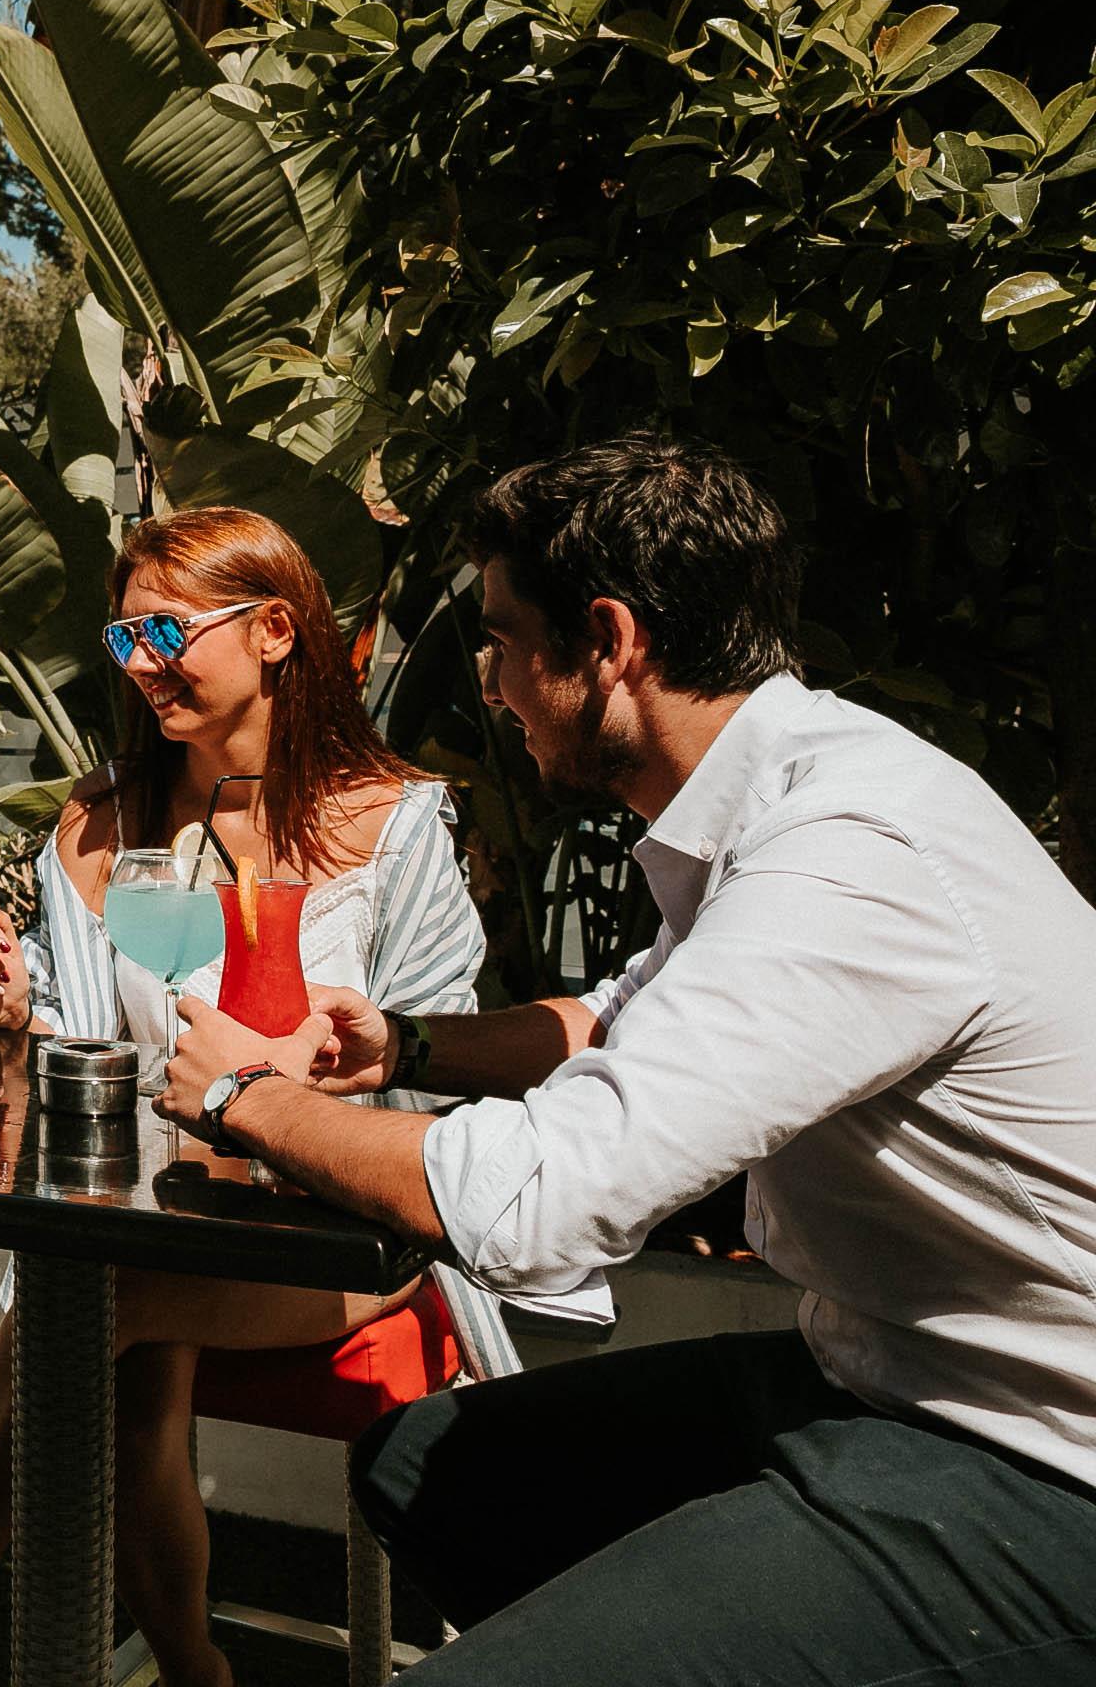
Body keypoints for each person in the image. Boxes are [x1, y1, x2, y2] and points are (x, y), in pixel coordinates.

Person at [159, 435, 1096, 1683]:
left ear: (607, 641)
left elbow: (541, 1201)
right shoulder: (768, 799)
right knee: (432, 1470)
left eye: (499, 641)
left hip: (1039, 1449)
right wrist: (406, 1041)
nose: (487, 682)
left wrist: (243, 1094)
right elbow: (617, 1015)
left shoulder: (845, 850)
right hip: (882, 1368)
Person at [0, 506, 490, 1687]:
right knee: (123, 1341)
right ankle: (193, 1668)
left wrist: (303, 1087)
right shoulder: (105, 822)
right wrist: (7, 1008)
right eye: (124, 636)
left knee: (103, 1296)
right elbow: (86, 1034)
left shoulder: (396, 824)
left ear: (277, 629)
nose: (140, 663)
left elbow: (436, 1061)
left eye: (168, 630)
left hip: (343, 1226)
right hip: (156, 1203)